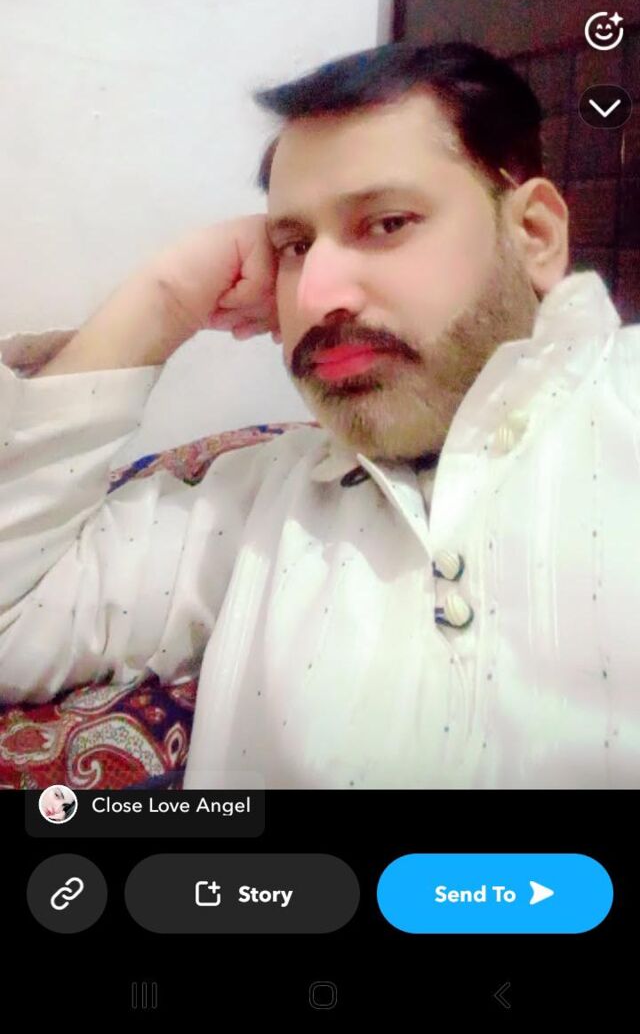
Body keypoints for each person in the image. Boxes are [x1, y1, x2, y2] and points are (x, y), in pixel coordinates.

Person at [0, 42, 638, 790]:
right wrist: (166, 295)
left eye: (387, 223)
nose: (314, 295)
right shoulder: (250, 507)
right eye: (294, 246)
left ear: (533, 235)